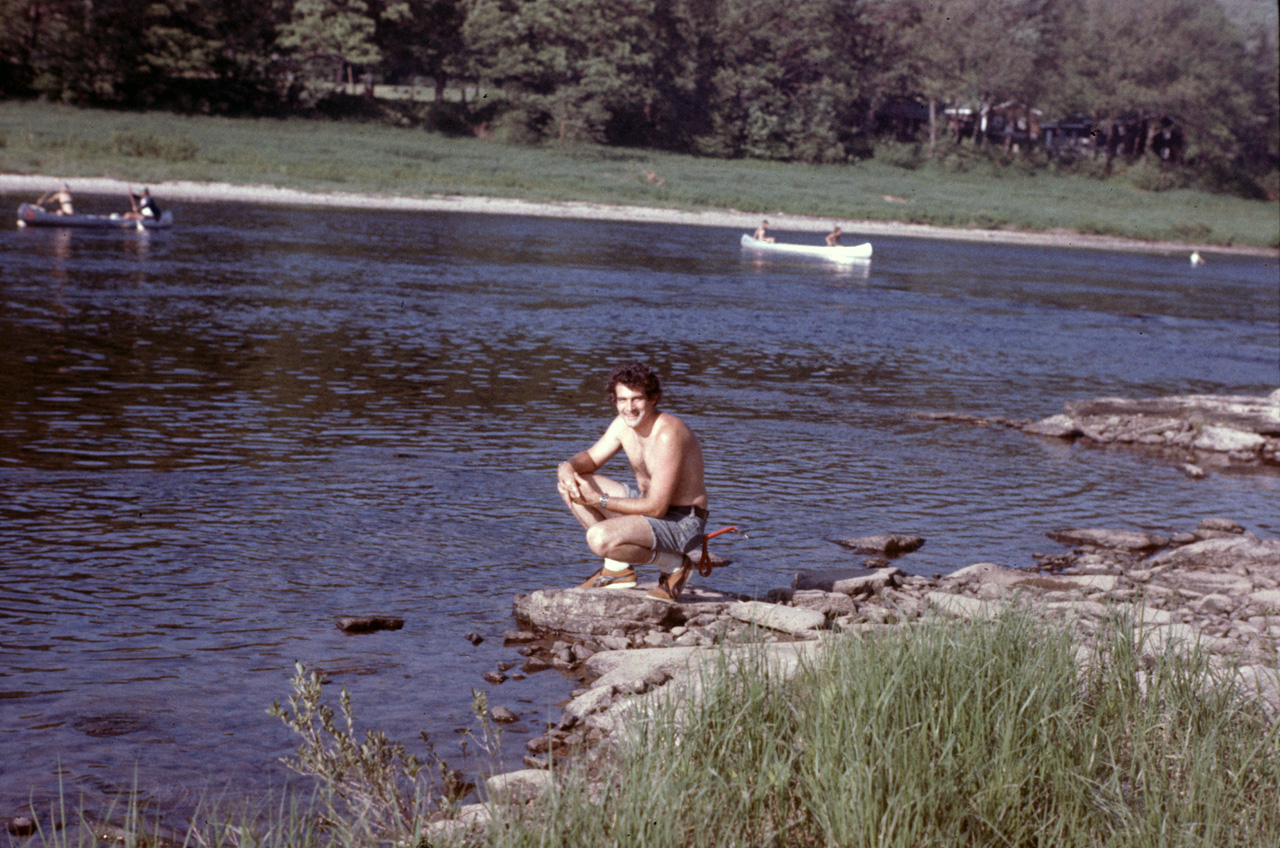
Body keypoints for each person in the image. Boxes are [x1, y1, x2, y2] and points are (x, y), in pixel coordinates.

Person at [557, 362, 709, 602]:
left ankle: (676, 565)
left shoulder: (668, 433)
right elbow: (590, 458)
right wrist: (567, 467)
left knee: (599, 537)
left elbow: (657, 507)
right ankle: (617, 570)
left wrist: (599, 500)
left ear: (653, 399)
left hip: (682, 520)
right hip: (651, 511)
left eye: (636, 399)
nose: (629, 408)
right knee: (573, 483)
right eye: (622, 400)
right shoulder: (622, 424)